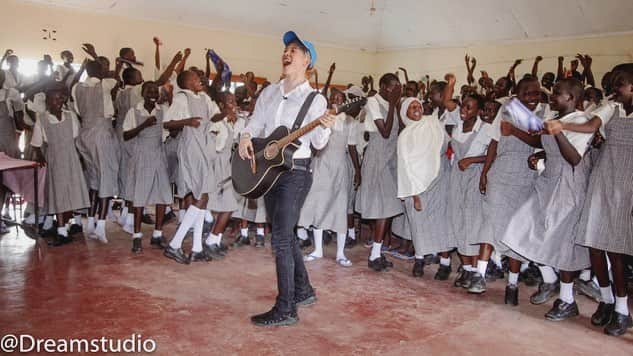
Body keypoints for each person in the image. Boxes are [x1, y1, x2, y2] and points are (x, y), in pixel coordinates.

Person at [238, 31, 334, 327]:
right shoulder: (269, 92)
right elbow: (255, 122)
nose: (287, 53)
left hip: (296, 173)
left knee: (280, 237)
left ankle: (286, 308)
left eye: (295, 49)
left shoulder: (315, 100)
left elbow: (318, 144)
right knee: (286, 233)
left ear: (308, 61)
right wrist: (244, 136)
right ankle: (303, 290)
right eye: (286, 48)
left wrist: (326, 126)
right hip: (269, 171)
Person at [502, 78, 594, 321]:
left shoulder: (579, 122)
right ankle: (550, 279)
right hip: (548, 179)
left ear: (572, 98)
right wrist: (541, 153)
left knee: (562, 242)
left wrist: (559, 131)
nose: (552, 97)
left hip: (568, 185)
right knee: (522, 226)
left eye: (558, 94)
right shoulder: (555, 120)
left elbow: (575, 158)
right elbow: (544, 142)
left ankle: (567, 300)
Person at [162, 70, 220, 264]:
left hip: (204, 146)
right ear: (186, 83)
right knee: (202, 194)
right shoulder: (182, 98)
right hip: (191, 147)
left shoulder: (204, 97)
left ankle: (196, 248)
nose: (200, 80)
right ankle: (175, 244)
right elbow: (167, 123)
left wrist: (227, 115)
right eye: (196, 78)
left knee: (204, 197)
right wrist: (187, 121)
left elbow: (214, 118)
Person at [397, 97, 454, 280]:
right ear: (405, 112)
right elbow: (405, 166)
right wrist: (414, 195)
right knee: (418, 224)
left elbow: (445, 143)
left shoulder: (432, 123)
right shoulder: (405, 136)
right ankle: (419, 259)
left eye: (418, 105)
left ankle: (445, 264)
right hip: (416, 187)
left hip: (439, 180)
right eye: (411, 107)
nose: (416, 109)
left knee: (442, 222)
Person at [299, 88, 354, 267]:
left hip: (339, 167)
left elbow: (352, 147)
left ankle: (340, 253)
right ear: (329, 100)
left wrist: (357, 171)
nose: (337, 100)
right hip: (322, 165)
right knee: (319, 205)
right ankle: (318, 250)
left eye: (341, 98)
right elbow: (315, 143)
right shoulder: (322, 118)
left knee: (340, 207)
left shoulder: (349, 121)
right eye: (334, 98)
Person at [30, 83, 90, 246]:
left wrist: (82, 158)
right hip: (54, 159)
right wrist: (40, 155)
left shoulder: (70, 116)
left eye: (59, 98)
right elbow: (36, 143)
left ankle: (73, 224)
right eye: (52, 99)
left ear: (63, 99)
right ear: (47, 101)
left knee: (72, 192)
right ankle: (62, 231)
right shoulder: (42, 119)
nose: (56, 102)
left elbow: (77, 139)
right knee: (58, 194)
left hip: (71, 158)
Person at [354, 72, 403, 271]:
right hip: (377, 157)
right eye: (393, 87)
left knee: (388, 208)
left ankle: (377, 252)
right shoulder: (373, 102)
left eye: (398, 88)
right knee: (383, 207)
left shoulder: (393, 104)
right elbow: (384, 131)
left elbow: (398, 129)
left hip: (390, 157)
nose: (396, 91)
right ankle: (375, 254)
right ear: (383, 87)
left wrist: (396, 105)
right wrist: (392, 104)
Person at [73, 59, 122, 243]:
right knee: (107, 177)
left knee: (94, 179)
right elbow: (115, 79)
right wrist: (116, 68)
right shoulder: (105, 84)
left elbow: (79, 110)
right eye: (104, 68)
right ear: (100, 71)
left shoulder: (77, 87)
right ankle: (101, 225)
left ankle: (92, 222)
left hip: (85, 133)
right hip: (102, 132)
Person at [122, 81, 173, 253]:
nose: (152, 93)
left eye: (155, 91)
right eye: (149, 91)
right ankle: (136, 236)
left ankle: (157, 234)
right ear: (142, 93)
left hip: (158, 154)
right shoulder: (134, 111)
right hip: (142, 154)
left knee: (162, 194)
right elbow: (126, 135)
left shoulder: (162, 111)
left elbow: (167, 133)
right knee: (139, 196)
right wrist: (144, 125)